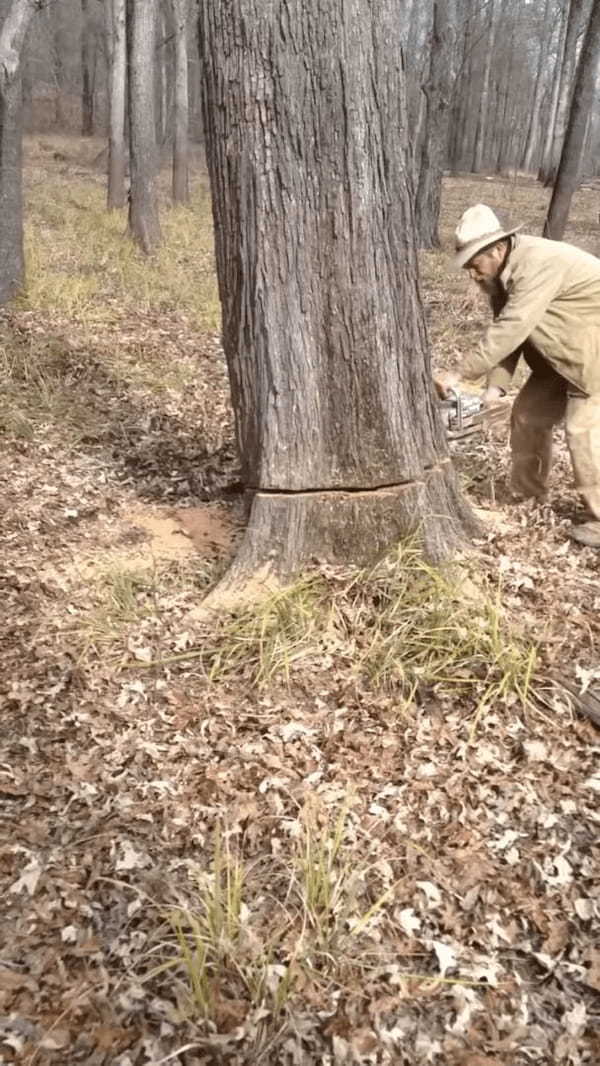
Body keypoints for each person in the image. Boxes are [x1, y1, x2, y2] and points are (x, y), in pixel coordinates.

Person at [435, 203, 600, 547]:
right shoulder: (501, 279)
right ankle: (528, 494)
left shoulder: (537, 264)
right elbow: (510, 337)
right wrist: (494, 388)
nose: (472, 274)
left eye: (474, 264)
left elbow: (513, 327)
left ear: (497, 249)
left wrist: (459, 372)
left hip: (592, 349)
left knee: (582, 429)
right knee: (527, 417)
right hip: (561, 354)